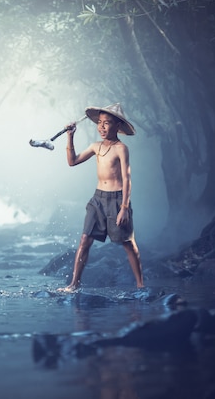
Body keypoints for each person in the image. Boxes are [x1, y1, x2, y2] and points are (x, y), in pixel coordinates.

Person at [59, 103, 144, 292]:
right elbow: (72, 162)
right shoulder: (95, 147)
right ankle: (74, 284)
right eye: (100, 123)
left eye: (107, 123)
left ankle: (140, 284)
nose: (102, 127)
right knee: (84, 240)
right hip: (97, 199)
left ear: (117, 126)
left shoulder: (121, 148)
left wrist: (124, 207)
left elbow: (126, 178)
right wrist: (70, 136)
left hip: (117, 200)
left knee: (128, 243)